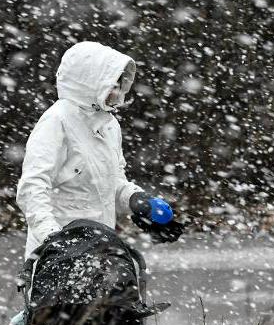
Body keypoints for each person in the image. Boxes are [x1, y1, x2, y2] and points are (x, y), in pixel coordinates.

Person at [15, 40, 182, 253]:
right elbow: (32, 187)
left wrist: (136, 201)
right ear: (89, 82)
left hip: (100, 250)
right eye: (112, 85)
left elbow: (111, 183)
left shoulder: (109, 125)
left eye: (119, 85)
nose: (118, 92)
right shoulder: (57, 122)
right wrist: (51, 238)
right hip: (55, 259)